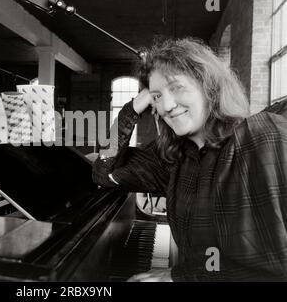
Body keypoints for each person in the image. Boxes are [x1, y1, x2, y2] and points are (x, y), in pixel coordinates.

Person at [92, 38, 287, 282]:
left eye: (177, 88)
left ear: (209, 86)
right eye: (157, 96)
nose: (168, 106)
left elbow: (276, 269)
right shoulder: (175, 157)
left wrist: (176, 277)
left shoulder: (261, 138)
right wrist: (131, 109)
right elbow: (103, 172)